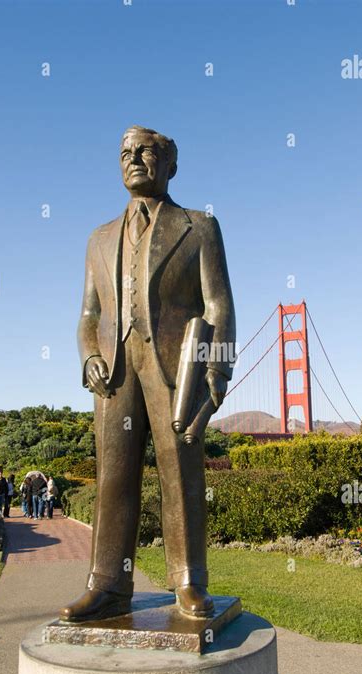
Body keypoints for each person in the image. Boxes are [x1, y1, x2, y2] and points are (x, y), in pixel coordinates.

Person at [60, 125, 235, 623]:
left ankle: (188, 581)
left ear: (171, 163)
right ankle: (109, 585)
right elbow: (89, 315)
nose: (135, 159)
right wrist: (87, 354)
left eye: (147, 151)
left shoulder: (199, 227)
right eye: (125, 153)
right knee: (112, 475)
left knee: (180, 472)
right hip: (114, 371)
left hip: (176, 366)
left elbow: (218, 301)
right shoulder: (97, 239)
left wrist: (218, 365)